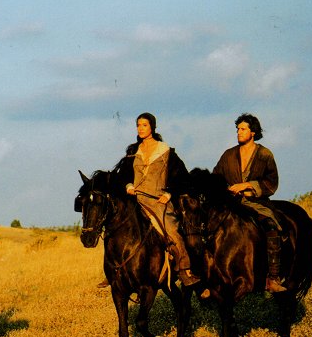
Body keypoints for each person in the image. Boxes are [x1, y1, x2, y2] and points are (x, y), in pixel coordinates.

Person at [116, 112, 201, 287]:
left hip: (157, 200)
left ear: (153, 127)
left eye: (144, 125)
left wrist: (169, 194)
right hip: (135, 200)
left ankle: (185, 269)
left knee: (171, 229)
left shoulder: (165, 151)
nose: (140, 128)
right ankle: (114, 270)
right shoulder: (133, 152)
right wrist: (128, 185)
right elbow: (123, 174)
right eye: (138, 125)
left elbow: (183, 178)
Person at [213, 113, 287, 293]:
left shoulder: (264, 154)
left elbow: (271, 182)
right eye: (237, 129)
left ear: (253, 132)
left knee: (271, 225)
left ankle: (273, 278)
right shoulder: (228, 155)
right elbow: (216, 178)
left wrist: (247, 185)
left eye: (242, 129)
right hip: (230, 203)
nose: (238, 132)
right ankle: (208, 278)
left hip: (256, 202)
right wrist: (226, 189)